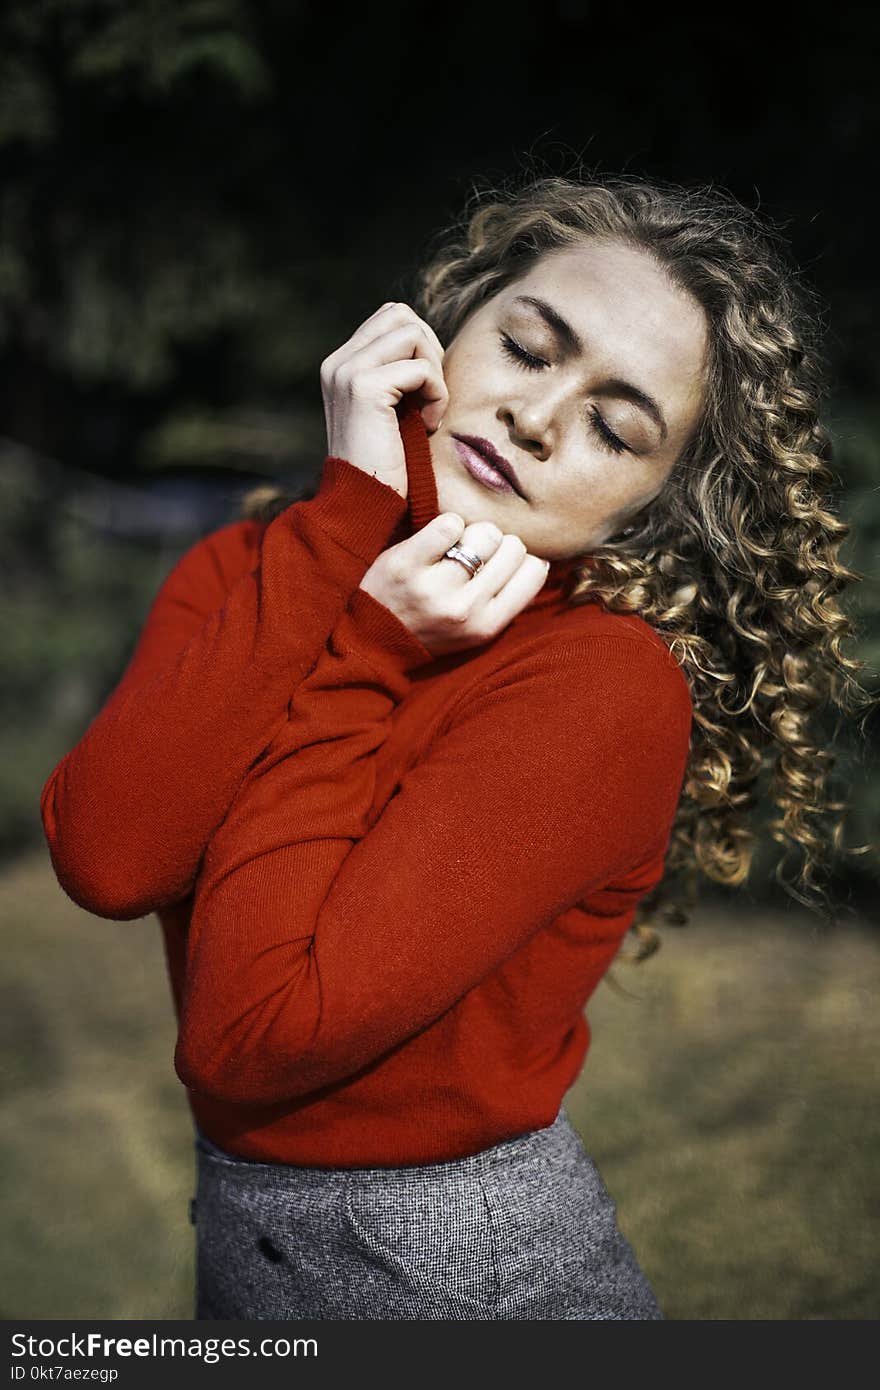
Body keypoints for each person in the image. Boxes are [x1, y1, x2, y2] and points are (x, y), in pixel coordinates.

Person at [40, 172, 874, 1321]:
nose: (537, 416)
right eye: (529, 349)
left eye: (613, 427)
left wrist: (366, 650)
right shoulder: (246, 571)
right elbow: (106, 857)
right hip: (244, 1246)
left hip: (459, 1279)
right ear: (439, 331)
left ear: (646, 508)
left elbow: (252, 1035)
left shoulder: (600, 684)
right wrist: (338, 527)